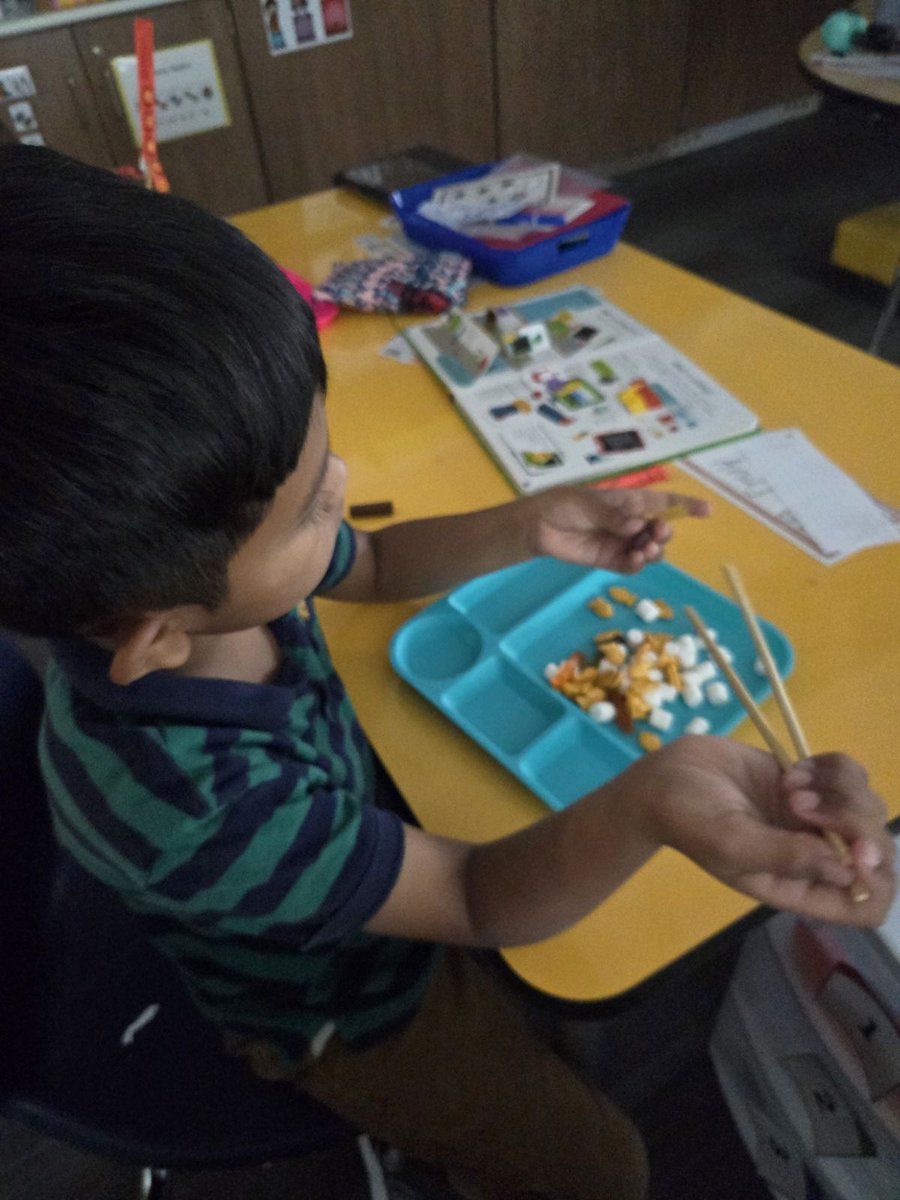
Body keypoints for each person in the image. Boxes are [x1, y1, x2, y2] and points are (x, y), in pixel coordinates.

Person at [0, 145, 893, 1200]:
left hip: (349, 854)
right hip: (334, 1004)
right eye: (308, 507)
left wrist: (526, 524)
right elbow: (474, 897)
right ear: (152, 635)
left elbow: (372, 562)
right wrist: (657, 796)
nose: (341, 485)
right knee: (604, 1168)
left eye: (318, 458)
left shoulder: (195, 586)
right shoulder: (197, 807)